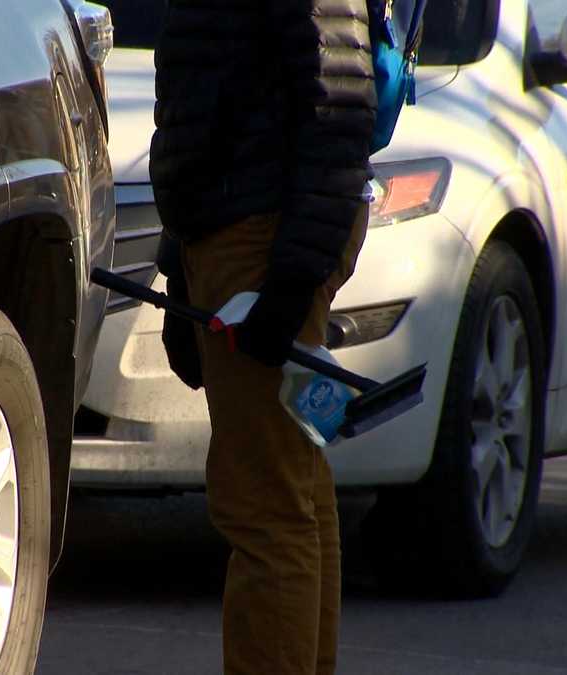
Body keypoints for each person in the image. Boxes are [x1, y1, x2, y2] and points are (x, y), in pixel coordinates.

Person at [149, 0, 378, 672]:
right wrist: (182, 268)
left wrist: (289, 283)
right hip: (241, 234)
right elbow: (212, 104)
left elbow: (337, 106)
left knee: (265, 503)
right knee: (292, 486)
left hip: (264, 239)